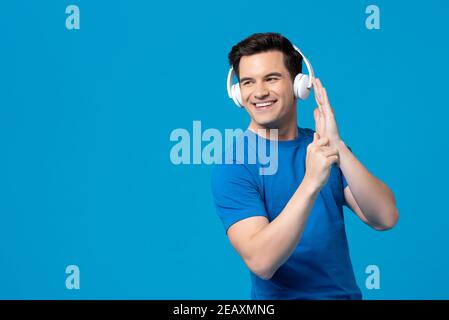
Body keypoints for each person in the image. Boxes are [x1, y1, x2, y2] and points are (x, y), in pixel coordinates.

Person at [211, 32, 399, 300]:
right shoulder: (234, 166)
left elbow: (385, 218)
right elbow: (262, 261)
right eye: (248, 82)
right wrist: (311, 182)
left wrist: (338, 146)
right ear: (238, 93)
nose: (259, 92)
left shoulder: (323, 146)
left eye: (271, 78)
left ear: (299, 84)